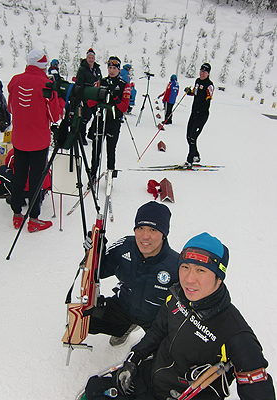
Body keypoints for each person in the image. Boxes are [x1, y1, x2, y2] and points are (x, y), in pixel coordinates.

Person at [85, 232, 275, 400]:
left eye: (201, 270)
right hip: (149, 378)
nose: (189, 279)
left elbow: (259, 392)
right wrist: (134, 358)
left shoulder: (236, 334)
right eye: (185, 267)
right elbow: (157, 331)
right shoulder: (176, 297)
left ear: (219, 277)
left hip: (182, 395)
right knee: (93, 390)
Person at [88, 201, 180, 346]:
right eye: (140, 228)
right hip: (123, 307)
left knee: (164, 355)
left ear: (164, 234)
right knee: (87, 320)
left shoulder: (177, 265)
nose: (145, 236)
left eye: (153, 230)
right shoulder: (124, 247)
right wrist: (94, 251)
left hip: (155, 319)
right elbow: (99, 272)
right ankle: (124, 327)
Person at [7, 49, 64, 233]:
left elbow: (10, 108)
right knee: (36, 178)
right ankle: (33, 218)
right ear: (43, 66)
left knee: (19, 175)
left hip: (19, 138)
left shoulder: (15, 81)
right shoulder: (46, 83)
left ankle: (17, 214)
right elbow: (55, 116)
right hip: (39, 140)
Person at [87, 56, 130, 183]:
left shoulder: (124, 85)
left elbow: (124, 107)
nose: (112, 71)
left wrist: (115, 97)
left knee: (111, 150)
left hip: (113, 122)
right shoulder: (100, 82)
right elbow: (90, 102)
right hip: (100, 119)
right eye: (110, 68)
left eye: (114, 68)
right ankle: (93, 173)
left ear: (119, 69)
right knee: (96, 149)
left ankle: (110, 174)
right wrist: (97, 98)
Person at [184, 62, 214, 167]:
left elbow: (209, 96)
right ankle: (196, 155)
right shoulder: (197, 81)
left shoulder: (209, 85)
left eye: (205, 72)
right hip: (194, 113)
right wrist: (189, 92)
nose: (202, 73)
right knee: (188, 136)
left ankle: (190, 159)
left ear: (208, 73)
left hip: (202, 115)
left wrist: (206, 98)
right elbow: (195, 92)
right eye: (201, 71)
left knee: (193, 137)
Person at [75, 48, 102, 145]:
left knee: (98, 116)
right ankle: (81, 135)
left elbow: (100, 80)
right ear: (86, 58)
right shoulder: (82, 69)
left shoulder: (97, 69)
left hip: (95, 97)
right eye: (89, 58)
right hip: (85, 96)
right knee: (85, 117)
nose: (91, 59)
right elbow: (78, 83)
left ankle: (92, 133)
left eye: (92, 58)